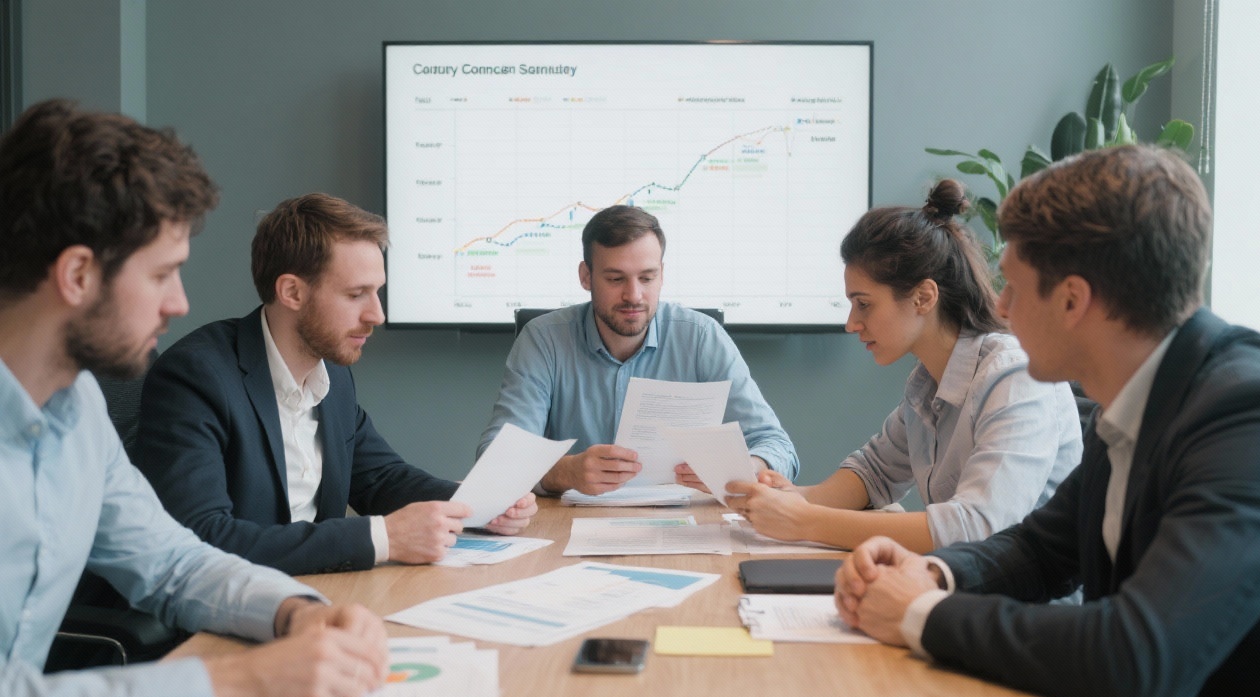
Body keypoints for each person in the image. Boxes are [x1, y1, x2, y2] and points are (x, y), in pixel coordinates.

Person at [836, 145, 1260, 697]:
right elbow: (1041, 549)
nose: (1000, 305)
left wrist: (922, 613)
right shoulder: (1135, 390)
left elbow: (1138, 659)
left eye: (1014, 287)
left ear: (1072, 300)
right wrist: (933, 572)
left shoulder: (1251, 415)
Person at [0, 98, 388, 697]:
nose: (180, 303)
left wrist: (294, 611)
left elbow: (171, 563)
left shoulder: (77, 412)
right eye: (161, 275)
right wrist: (240, 687)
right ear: (77, 275)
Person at [136, 193, 536, 576]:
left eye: (376, 292)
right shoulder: (196, 376)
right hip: (227, 615)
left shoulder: (333, 375)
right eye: (356, 294)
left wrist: (475, 503)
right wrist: (383, 537)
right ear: (292, 291)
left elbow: (381, 478)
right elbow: (203, 536)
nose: (376, 314)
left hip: (321, 591)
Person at [693, 180, 1081, 552]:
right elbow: (874, 472)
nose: (851, 323)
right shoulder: (927, 381)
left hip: (1031, 609)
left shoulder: (1015, 377)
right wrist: (795, 498)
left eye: (864, 303)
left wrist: (804, 521)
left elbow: (976, 526)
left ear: (923, 297)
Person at [477, 204, 799, 495]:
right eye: (616, 279)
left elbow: (777, 446)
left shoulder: (702, 338)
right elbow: (496, 459)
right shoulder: (543, 341)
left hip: (686, 529)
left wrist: (743, 471)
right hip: (567, 527)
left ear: (662, 274)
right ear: (586, 276)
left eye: (647, 277)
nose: (635, 295)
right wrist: (565, 472)